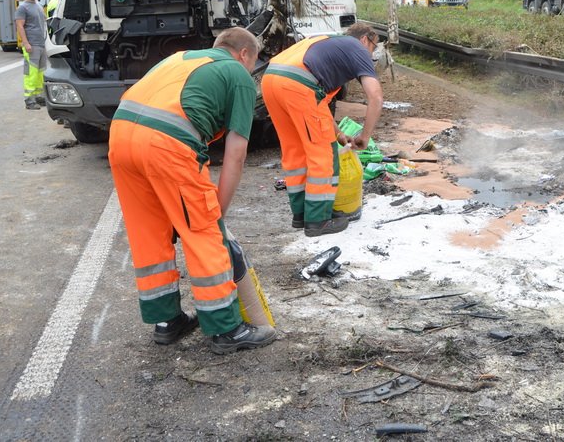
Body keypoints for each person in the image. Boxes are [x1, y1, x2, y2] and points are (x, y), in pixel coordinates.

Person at [107, 27, 277, 354]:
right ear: (244, 55)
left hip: (120, 135)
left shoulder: (181, 59)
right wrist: (217, 215)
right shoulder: (238, 75)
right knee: (204, 233)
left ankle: (166, 321)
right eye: (252, 62)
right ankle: (225, 330)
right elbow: (236, 153)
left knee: (149, 232)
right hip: (165, 144)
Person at [261, 22, 384, 237]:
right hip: (298, 86)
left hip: (271, 80)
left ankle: (301, 214)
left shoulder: (328, 43)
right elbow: (375, 96)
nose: (371, 55)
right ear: (366, 39)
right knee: (324, 155)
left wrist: (338, 133)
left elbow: (319, 104)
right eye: (373, 48)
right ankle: (318, 220)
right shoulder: (357, 48)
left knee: (295, 150)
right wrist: (365, 135)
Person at [14, 0, 49, 110]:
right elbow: (19, 26)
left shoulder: (39, 5)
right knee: (31, 73)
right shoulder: (22, 8)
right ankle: (29, 100)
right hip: (31, 45)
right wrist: (26, 43)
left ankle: (39, 97)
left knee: (40, 72)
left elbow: (44, 22)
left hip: (41, 44)